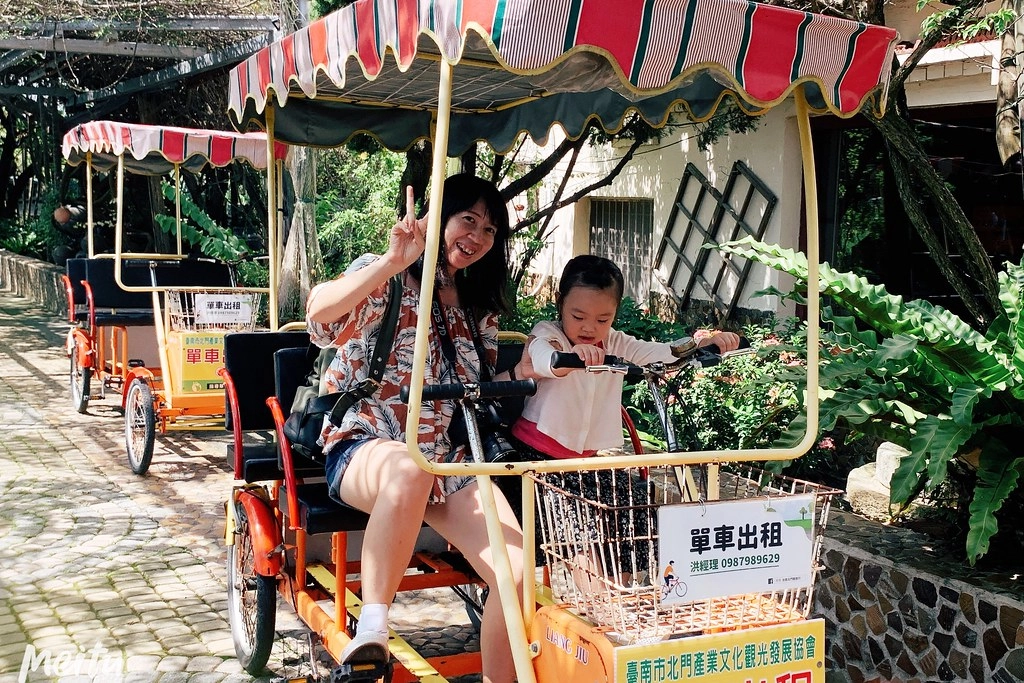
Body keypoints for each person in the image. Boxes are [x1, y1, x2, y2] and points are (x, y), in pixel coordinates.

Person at [306, 173, 526, 682]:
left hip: (446, 457)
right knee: (410, 467)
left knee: (514, 576)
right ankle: (374, 630)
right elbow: (319, 316)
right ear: (439, 217)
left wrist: (530, 373)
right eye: (467, 219)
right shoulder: (388, 275)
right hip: (366, 443)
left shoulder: (478, 309)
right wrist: (393, 261)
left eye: (490, 230)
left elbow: (480, 386)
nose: (476, 236)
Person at [510, 255, 740, 582]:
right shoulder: (550, 334)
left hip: (584, 464)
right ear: (560, 303)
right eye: (578, 316)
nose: (590, 328)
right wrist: (569, 358)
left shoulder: (615, 342)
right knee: (582, 530)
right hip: (537, 463)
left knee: (637, 505)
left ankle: (629, 597)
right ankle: (601, 610)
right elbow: (542, 357)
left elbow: (661, 354)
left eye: (603, 319)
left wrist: (704, 345)